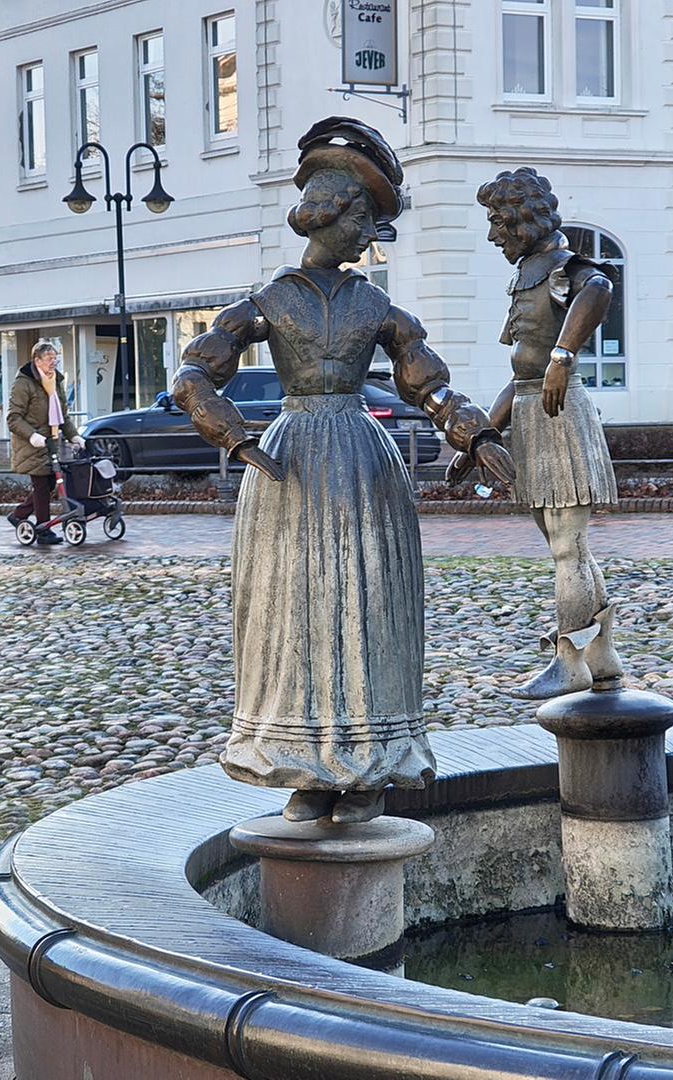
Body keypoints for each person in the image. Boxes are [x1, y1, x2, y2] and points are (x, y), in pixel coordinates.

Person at [172, 117, 513, 826]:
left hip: (361, 462)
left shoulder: (374, 304)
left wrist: (475, 433)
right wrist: (233, 436)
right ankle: (303, 765)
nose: (368, 238)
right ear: (329, 214)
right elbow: (193, 375)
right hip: (290, 463)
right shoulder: (269, 302)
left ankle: (367, 767)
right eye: (363, 222)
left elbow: (427, 382)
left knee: (365, 601)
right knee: (296, 604)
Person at [465, 168, 623, 699]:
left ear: (522, 218)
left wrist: (562, 356)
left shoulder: (565, 267)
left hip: (559, 413)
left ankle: (570, 660)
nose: (494, 235)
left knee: (566, 548)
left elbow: (598, 286)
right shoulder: (529, 275)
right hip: (533, 409)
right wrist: (482, 436)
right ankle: (601, 655)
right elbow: (521, 376)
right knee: (567, 545)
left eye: (498, 222)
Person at [6, 341, 84, 545]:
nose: (53, 362)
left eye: (55, 358)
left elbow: (63, 416)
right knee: (42, 484)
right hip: (32, 443)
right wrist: (33, 436)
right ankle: (43, 530)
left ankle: (18, 515)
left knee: (50, 483)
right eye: (49, 358)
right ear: (37, 360)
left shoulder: (55, 380)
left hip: (51, 442)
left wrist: (74, 436)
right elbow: (13, 418)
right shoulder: (24, 383)